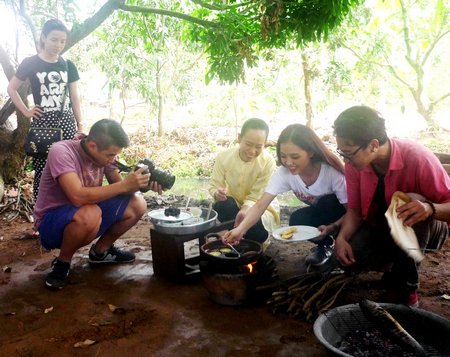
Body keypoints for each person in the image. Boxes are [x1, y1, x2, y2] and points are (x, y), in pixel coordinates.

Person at [333, 105, 450, 307]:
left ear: (373, 145)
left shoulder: (418, 157)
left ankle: (406, 289)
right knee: (351, 258)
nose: (345, 159)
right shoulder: (355, 165)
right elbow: (355, 211)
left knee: (408, 202)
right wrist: (341, 238)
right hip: (385, 228)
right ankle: (394, 267)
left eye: (349, 153)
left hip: (429, 227)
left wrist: (429, 208)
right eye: (342, 153)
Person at [33, 119, 161, 290]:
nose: (113, 159)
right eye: (110, 155)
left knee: (137, 203)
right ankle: (62, 262)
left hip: (85, 215)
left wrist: (140, 184)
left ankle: (101, 252)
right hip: (51, 225)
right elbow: (77, 196)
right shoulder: (62, 151)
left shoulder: (103, 156)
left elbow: (122, 189)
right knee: (90, 213)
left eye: (116, 155)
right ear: (92, 146)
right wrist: (124, 185)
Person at [223, 123, 347, 266]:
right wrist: (240, 230)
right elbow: (260, 205)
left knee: (328, 202)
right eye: (283, 156)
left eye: (295, 156)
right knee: (297, 219)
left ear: (311, 152)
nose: (288, 162)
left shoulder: (331, 173)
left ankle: (343, 241)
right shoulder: (284, 173)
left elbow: (353, 212)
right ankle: (325, 246)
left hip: (346, 218)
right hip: (323, 216)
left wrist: (334, 227)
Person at [7, 18, 83, 200]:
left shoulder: (67, 65)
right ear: (43, 38)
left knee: (68, 167)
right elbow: (11, 88)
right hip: (43, 123)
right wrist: (26, 111)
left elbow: (74, 97)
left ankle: (65, 211)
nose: (58, 45)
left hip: (66, 122)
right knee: (42, 168)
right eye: (54, 39)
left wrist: (80, 125)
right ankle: (40, 218)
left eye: (63, 41)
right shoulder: (30, 63)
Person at [209, 118, 279, 243]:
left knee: (255, 224)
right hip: (234, 206)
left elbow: (257, 195)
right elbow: (214, 185)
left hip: (260, 207)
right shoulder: (223, 157)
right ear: (240, 138)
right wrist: (217, 193)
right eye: (248, 144)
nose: (252, 151)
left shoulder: (268, 162)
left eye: (258, 147)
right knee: (223, 205)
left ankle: (253, 239)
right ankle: (236, 236)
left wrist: (245, 209)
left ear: (265, 143)